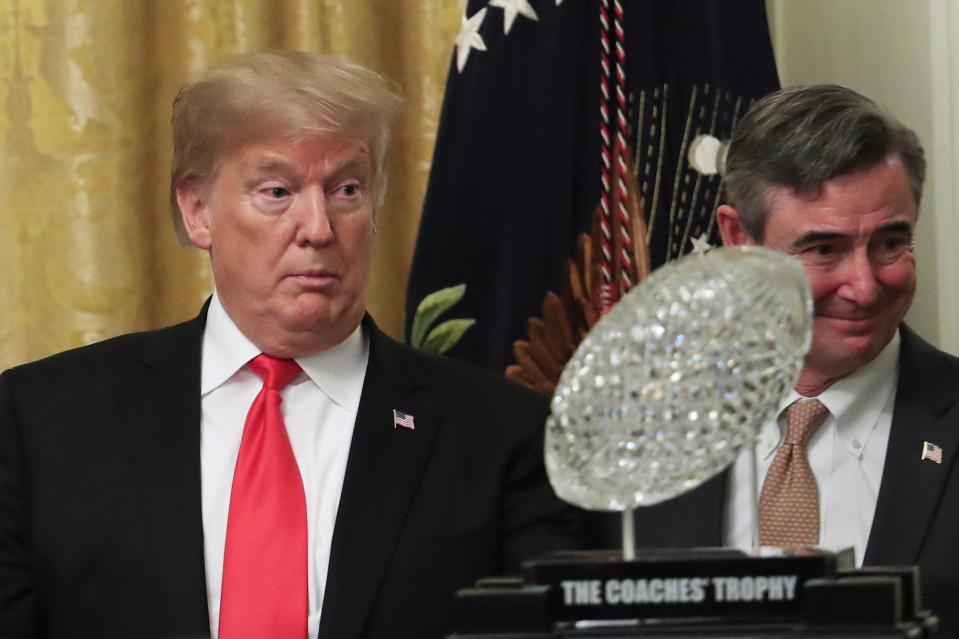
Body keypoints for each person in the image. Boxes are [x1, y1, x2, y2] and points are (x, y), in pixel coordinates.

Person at [0, 51, 580, 639]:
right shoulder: (40, 420)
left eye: (346, 189)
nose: (319, 227)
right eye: (277, 191)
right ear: (197, 210)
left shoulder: (502, 432)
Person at [590, 84, 959, 637]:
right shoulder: (633, 429)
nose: (863, 286)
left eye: (890, 243)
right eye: (823, 249)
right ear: (740, 238)